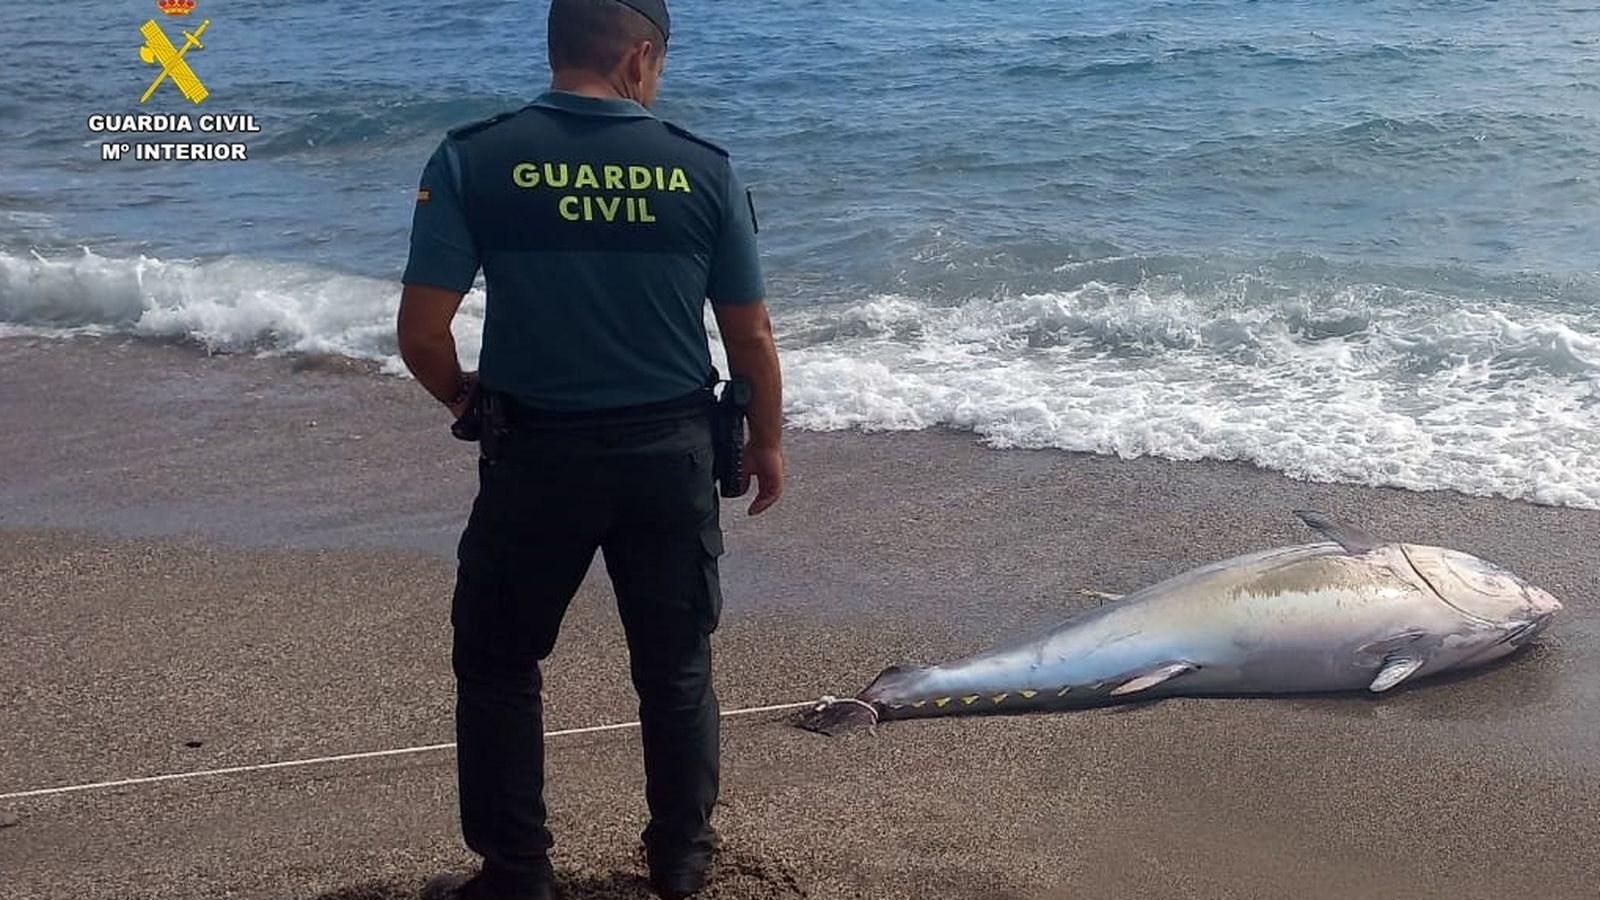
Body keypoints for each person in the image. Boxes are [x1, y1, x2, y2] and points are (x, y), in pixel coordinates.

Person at [395, 0, 783, 897]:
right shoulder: (702, 170)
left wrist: (465, 399)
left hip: (534, 459)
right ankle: (681, 865)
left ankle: (517, 870)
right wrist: (767, 443)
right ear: (640, 59)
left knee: (498, 660)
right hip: (671, 456)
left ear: (558, 49)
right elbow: (751, 338)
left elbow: (421, 332)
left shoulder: (472, 157)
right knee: (676, 667)